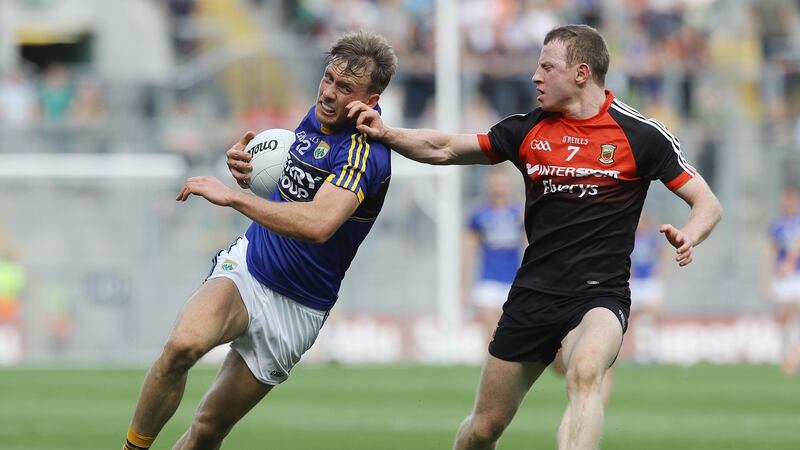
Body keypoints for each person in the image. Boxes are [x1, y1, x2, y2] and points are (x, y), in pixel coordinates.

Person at [348, 24, 722, 450]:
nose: (535, 76)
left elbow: (708, 202)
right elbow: (447, 147)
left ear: (581, 73)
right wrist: (388, 134)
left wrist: (691, 234)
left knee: (584, 375)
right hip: (532, 295)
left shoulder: (641, 135)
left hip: (600, 295)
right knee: (483, 430)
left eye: (547, 66)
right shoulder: (529, 130)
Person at [122, 31, 397, 450]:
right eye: (327, 79)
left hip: (298, 309)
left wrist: (232, 197)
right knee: (182, 345)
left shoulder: (366, 153)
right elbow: (290, 184)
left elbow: (319, 223)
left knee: (208, 429)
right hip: (250, 268)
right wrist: (249, 169)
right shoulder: (318, 116)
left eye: (345, 88)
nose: (328, 93)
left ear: (371, 100)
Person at [462, 166, 524, 344]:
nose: (498, 185)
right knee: (490, 336)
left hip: (513, 281)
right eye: (495, 181)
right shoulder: (479, 213)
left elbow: (530, 245)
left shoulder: (519, 212)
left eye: (502, 181)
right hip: (487, 281)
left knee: (509, 336)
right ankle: (488, 371)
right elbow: (469, 250)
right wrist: (465, 286)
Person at [763, 186, 800, 376]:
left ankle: (794, 356)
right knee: (785, 316)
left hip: (797, 274)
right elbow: (770, 251)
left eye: (789, 200)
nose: (786, 204)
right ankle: (788, 354)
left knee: (795, 312)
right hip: (784, 277)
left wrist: (791, 261)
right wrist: (767, 278)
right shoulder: (777, 225)